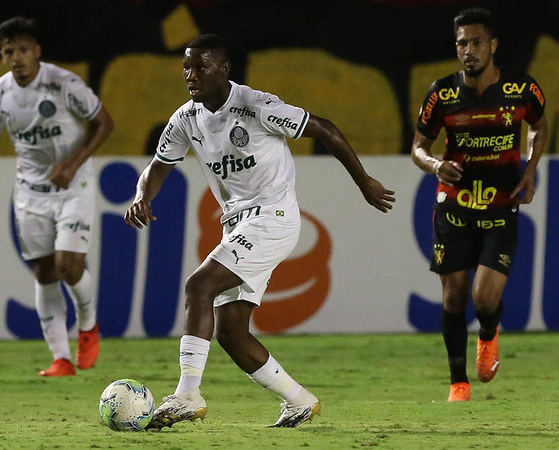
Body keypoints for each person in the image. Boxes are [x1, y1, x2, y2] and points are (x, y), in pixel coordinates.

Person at [124, 34, 395, 428]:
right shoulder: (186, 118)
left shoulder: (257, 106)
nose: (190, 75)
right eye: (186, 66)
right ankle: (299, 400)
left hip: (273, 219)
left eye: (200, 66)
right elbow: (158, 166)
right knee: (231, 332)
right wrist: (140, 196)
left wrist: (364, 182)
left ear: (224, 69)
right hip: (237, 227)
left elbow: (325, 129)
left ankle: (186, 395)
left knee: (198, 287)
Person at [411, 7, 548, 401]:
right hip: (454, 207)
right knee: (453, 296)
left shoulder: (523, 89)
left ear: (492, 45)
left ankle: (488, 333)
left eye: (475, 42)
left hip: (502, 204)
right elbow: (419, 147)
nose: (467, 50)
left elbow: (538, 126)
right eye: (461, 44)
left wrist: (530, 168)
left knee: (484, 298)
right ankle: (458, 382)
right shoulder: (443, 93)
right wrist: (436, 165)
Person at [0, 17, 114, 377]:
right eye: (8, 52)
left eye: (21, 50)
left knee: (68, 265)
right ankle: (60, 358)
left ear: (36, 51)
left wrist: (72, 162)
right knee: (45, 272)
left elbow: (104, 123)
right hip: (30, 192)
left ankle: (88, 325)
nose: (15, 58)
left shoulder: (64, 83)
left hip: (73, 185)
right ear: (2, 57)